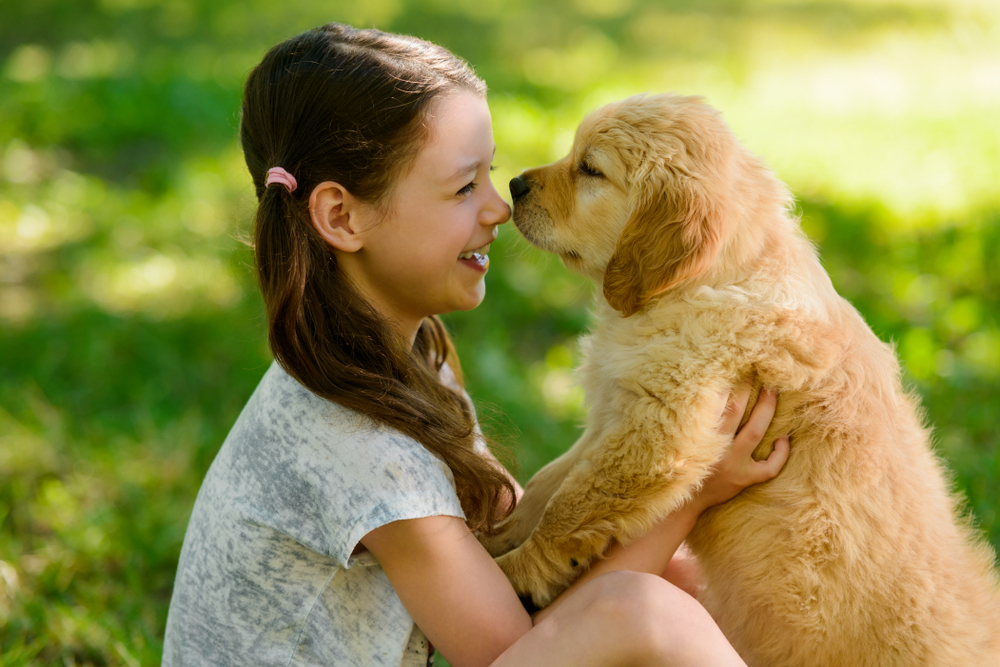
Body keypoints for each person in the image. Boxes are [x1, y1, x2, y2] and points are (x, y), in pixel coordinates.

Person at [161, 23, 791, 667]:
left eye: (488, 174)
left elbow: (516, 543)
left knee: (677, 580)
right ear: (341, 217)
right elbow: (523, 643)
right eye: (464, 187)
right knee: (640, 609)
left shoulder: (405, 356)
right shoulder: (358, 447)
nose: (498, 206)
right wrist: (691, 493)